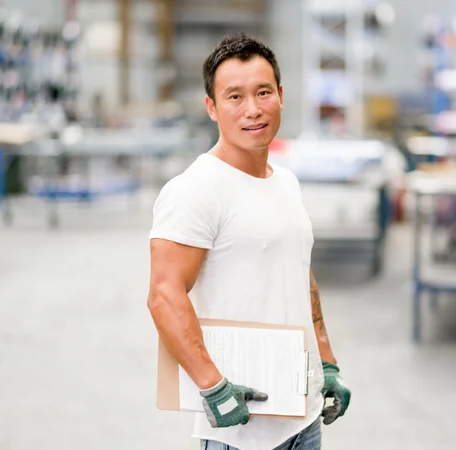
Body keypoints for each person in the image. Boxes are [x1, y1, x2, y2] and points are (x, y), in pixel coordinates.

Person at [147, 33, 351, 450]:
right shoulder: (196, 189)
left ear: (280, 94)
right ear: (211, 107)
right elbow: (164, 294)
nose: (253, 109)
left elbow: (299, 273)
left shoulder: (286, 183)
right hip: (239, 434)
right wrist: (213, 385)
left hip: (303, 419)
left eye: (262, 92)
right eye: (234, 97)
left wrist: (325, 361)